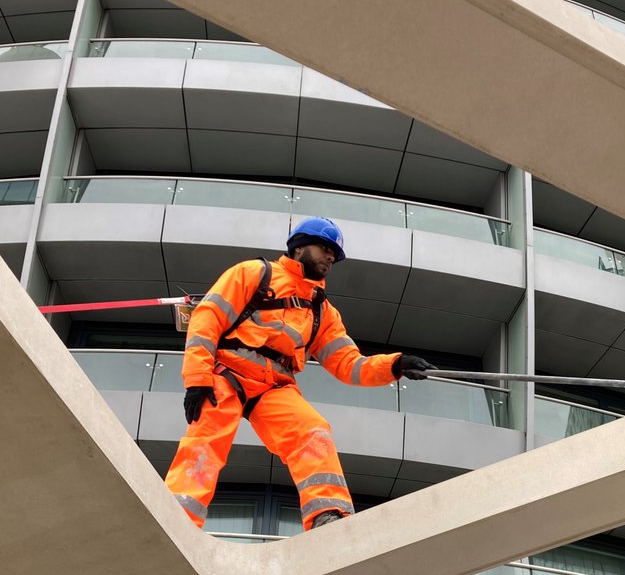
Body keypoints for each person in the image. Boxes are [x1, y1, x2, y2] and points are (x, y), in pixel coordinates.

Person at [165, 216, 434, 530]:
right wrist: (197, 379)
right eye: (325, 248)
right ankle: (176, 519)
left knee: (312, 431)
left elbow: (349, 364)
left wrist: (396, 365)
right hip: (228, 373)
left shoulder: (323, 311)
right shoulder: (253, 273)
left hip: (274, 387)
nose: (331, 257)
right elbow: (206, 320)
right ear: (299, 247)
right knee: (206, 439)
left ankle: (328, 515)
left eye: (334, 254)